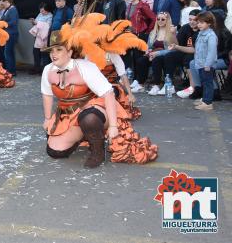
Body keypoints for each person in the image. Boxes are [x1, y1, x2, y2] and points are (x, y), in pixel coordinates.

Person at [41, 29, 157, 168]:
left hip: (94, 106)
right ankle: (84, 135)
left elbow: (108, 94)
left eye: (58, 50)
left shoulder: (85, 67)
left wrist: (113, 125)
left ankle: (97, 150)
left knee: (89, 119)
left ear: (70, 52)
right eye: (51, 51)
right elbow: (47, 94)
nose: (53, 54)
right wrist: (48, 119)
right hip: (69, 114)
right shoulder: (48, 69)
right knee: (55, 152)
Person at [132, 12, 178, 94]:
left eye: (163, 19)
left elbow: (173, 49)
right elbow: (149, 46)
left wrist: (158, 53)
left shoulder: (172, 31)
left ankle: (157, 84)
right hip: (154, 53)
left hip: (165, 54)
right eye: (158, 19)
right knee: (141, 60)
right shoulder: (153, 32)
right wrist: (148, 52)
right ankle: (141, 84)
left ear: (167, 20)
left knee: (157, 60)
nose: (160, 21)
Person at [192, 12, 218, 111]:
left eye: (202, 22)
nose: (199, 25)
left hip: (206, 64)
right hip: (200, 63)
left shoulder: (210, 36)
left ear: (209, 23)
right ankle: (205, 99)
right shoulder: (201, 34)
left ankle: (208, 103)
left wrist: (208, 64)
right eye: (198, 22)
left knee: (208, 83)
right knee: (204, 82)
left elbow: (212, 51)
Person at [29, 2, 52, 74]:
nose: (41, 12)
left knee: (44, 53)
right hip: (38, 35)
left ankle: (44, 70)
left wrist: (37, 23)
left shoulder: (50, 16)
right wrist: (33, 21)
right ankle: (37, 68)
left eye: (43, 11)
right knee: (35, 52)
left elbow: (47, 26)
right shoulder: (40, 14)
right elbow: (36, 22)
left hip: (44, 37)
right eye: (40, 10)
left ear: (47, 10)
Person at [0, 0, 19, 76]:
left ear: (7, 2)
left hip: (11, 34)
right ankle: (12, 71)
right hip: (8, 34)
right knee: (10, 53)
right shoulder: (8, 9)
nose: (2, 6)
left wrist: (3, 24)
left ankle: (10, 71)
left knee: (7, 53)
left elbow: (13, 22)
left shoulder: (12, 10)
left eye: (3, 4)